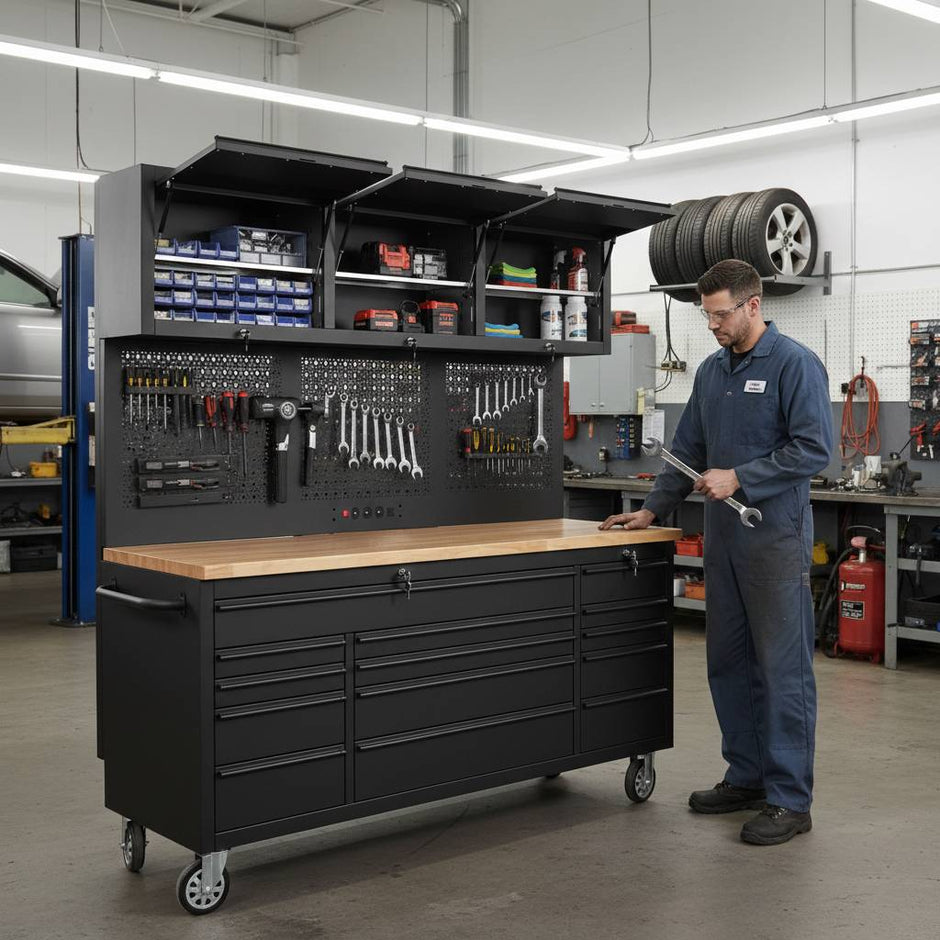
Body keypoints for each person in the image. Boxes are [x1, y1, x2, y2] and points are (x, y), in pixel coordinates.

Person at [599, 259, 832, 845]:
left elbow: (813, 449)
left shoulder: (794, 364)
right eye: (707, 315)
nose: (713, 325)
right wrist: (652, 510)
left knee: (781, 670)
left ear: (753, 305)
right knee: (728, 663)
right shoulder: (711, 372)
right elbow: (686, 451)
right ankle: (747, 776)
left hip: (773, 541)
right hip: (724, 544)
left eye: (721, 314)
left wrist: (742, 477)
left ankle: (790, 800)